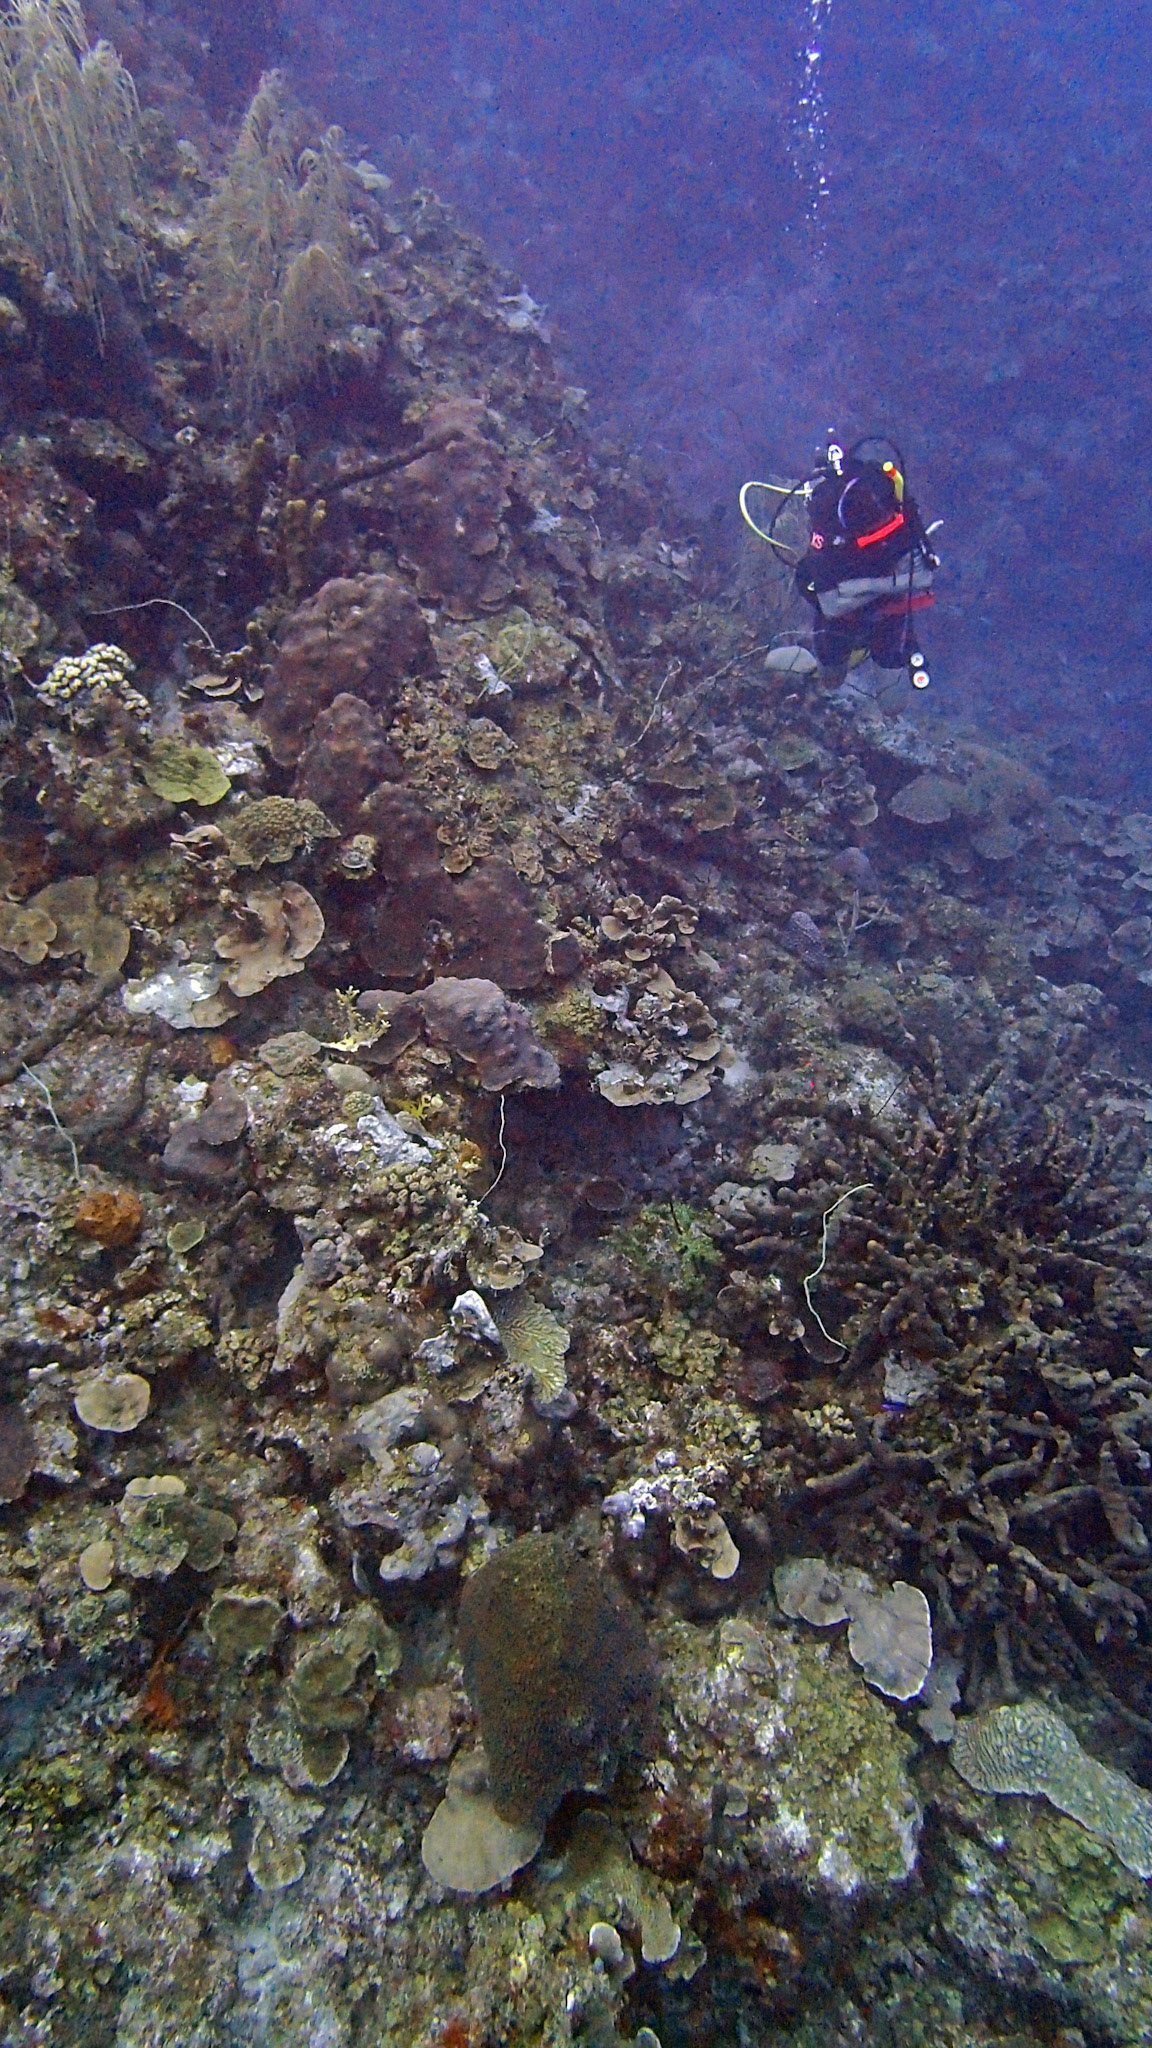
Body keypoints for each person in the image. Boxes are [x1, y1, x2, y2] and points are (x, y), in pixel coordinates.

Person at [740, 434, 940, 689]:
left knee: (857, 684)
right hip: (877, 611)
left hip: (867, 613)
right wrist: (884, 587)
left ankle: (841, 660)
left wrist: (856, 590)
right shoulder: (867, 503)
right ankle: (837, 662)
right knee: (847, 679)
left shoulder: (834, 511)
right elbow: (921, 576)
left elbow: (826, 598)